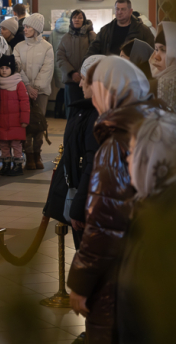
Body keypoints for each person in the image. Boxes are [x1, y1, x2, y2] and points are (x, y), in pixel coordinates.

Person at [67, 57, 160, 342]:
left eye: (95, 92)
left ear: (109, 91)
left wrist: (81, 283)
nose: (94, 102)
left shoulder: (117, 142)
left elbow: (106, 222)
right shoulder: (158, 123)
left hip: (123, 268)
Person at [117, 110, 176, 344]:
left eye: (133, 151)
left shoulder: (163, 220)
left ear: (152, 157)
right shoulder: (148, 205)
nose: (128, 159)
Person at [44, 55, 104, 249]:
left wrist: (78, 208)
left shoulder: (95, 115)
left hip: (88, 201)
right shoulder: (86, 110)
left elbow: (92, 164)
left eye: (84, 80)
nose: (80, 85)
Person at [13, 13, 54, 170]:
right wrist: (27, 85)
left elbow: (47, 68)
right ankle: (28, 155)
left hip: (41, 92)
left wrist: (35, 87)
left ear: (36, 29)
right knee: (25, 123)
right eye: (24, 26)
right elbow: (17, 67)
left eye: (28, 26)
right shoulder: (19, 47)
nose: (25, 29)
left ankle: (37, 154)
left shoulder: (47, 47)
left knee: (38, 123)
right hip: (23, 90)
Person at [0, 55, 30, 177]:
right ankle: (6, 165)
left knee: (16, 144)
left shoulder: (18, 84)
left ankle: (18, 165)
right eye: (2, 68)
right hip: (1, 121)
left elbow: (24, 103)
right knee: (3, 144)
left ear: (12, 69)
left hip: (16, 121)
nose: (4, 70)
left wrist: (24, 120)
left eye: (7, 68)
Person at [86, 0, 155, 56]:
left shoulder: (142, 30)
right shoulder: (106, 30)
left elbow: (151, 51)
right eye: (117, 9)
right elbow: (93, 49)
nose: (119, 12)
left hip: (133, 69)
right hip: (111, 67)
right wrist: (85, 65)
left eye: (123, 9)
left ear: (130, 11)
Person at [57, 9, 96, 109]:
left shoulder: (91, 36)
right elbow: (60, 57)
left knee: (87, 110)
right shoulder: (65, 37)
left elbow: (94, 55)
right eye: (74, 17)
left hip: (87, 80)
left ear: (84, 20)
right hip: (71, 81)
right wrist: (72, 72)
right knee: (71, 110)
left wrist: (82, 73)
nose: (77, 20)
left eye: (80, 17)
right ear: (71, 20)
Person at [149, 22, 176, 110]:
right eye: (156, 50)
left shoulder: (166, 82)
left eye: (163, 50)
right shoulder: (159, 79)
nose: (156, 57)